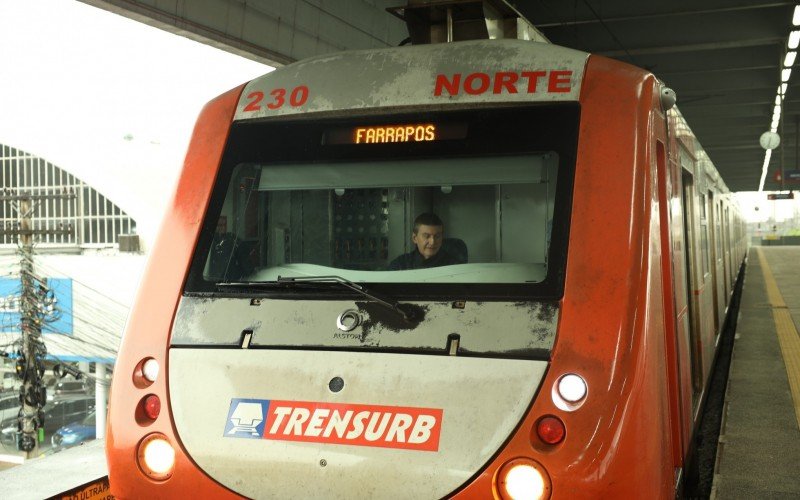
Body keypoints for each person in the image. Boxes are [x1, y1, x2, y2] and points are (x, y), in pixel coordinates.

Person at [388, 213, 462, 270]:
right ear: (414, 238)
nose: (432, 242)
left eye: (437, 236)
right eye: (426, 236)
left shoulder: (454, 266)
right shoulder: (400, 265)